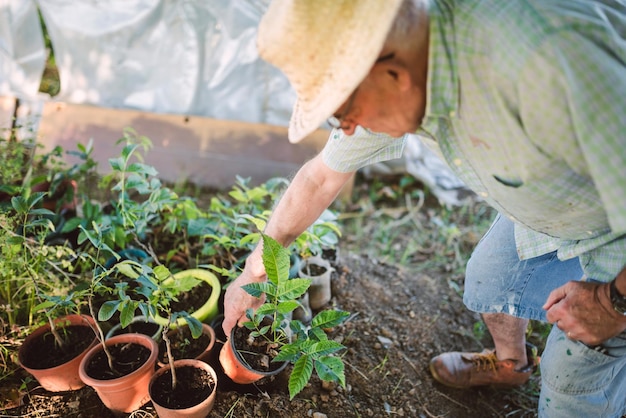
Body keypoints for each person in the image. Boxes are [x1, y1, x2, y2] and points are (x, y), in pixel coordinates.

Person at [222, 0, 626, 416]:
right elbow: (319, 177)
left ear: (392, 75)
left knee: (571, 381)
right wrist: (255, 268)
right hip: (559, 204)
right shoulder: (409, 66)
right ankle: (512, 365)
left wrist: (613, 304)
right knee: (491, 282)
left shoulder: (544, 63)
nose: (345, 129)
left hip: (615, 234)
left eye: (342, 112)